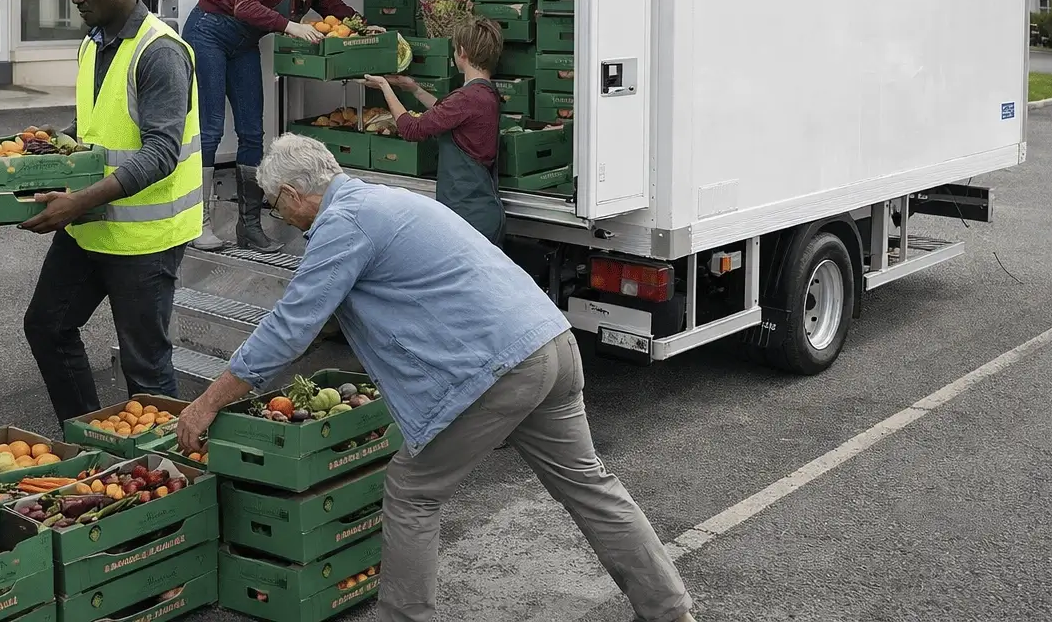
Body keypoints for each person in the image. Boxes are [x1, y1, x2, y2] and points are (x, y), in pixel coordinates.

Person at [175, 135, 697, 622]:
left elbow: (288, 329)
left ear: (293, 193)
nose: (279, 216)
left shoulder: (344, 224)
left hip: (500, 371)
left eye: (275, 205)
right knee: (590, 487)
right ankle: (670, 610)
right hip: (549, 344)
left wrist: (208, 402)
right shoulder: (384, 201)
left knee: (411, 491)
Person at [19, 0, 202, 421]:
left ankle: (170, 474)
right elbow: (99, 125)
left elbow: (162, 152)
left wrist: (77, 202)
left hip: (144, 237)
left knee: (146, 367)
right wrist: (47, 146)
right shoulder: (93, 42)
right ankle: (86, 435)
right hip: (93, 224)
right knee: (47, 326)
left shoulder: (159, 53)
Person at [182, 0, 362, 253]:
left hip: (243, 43)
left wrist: (366, 28)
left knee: (253, 132)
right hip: (208, 32)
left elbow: (340, 13)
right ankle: (198, 223)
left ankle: (249, 227)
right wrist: (291, 26)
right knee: (209, 131)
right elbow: (244, 5)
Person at [364, 15, 507, 245]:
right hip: (483, 212)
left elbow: (412, 129)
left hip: (467, 218)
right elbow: (447, 112)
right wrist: (413, 89)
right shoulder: (485, 93)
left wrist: (384, 86)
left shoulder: (466, 98)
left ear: (461, 52)